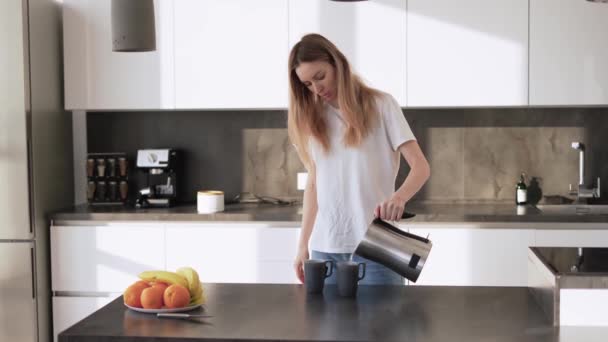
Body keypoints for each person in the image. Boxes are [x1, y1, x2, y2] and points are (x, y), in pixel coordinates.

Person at [288, 33, 430, 285]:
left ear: (337, 64)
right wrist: (302, 245)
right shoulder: (313, 117)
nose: (317, 89)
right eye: (308, 84)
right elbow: (314, 184)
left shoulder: (382, 105)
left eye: (320, 76)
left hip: (376, 245)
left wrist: (399, 197)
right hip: (325, 250)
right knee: (327, 326)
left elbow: (420, 166)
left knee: (383, 324)